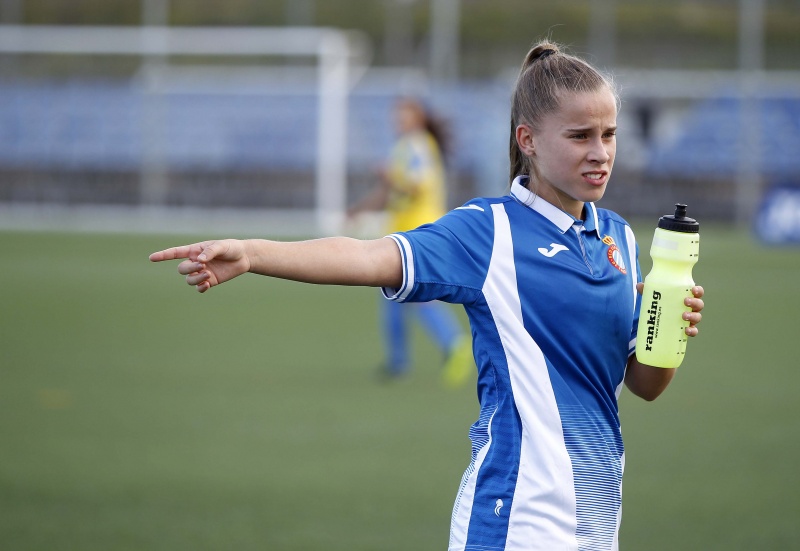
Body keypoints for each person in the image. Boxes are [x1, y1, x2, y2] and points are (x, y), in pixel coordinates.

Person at [149, 41, 706, 550]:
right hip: (516, 518)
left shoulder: (620, 240)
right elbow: (368, 256)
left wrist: (671, 329)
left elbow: (645, 384)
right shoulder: (489, 232)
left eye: (608, 135)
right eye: (580, 136)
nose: (599, 152)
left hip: (598, 520)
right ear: (527, 140)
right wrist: (253, 253)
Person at [347, 97, 472, 385]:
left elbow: (416, 186)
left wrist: (391, 176)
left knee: (414, 296)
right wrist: (359, 210)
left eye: (403, 115)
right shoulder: (404, 147)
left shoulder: (418, 145)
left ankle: (453, 342)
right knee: (393, 296)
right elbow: (390, 192)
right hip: (403, 231)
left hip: (419, 231)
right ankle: (398, 361)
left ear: (417, 118)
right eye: (396, 115)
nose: (397, 120)